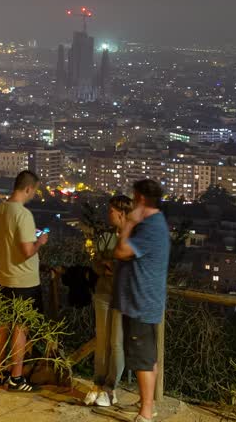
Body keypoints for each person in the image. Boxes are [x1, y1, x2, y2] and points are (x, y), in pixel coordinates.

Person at [112, 179, 171, 422]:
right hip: (143, 299)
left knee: (142, 358)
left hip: (141, 301)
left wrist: (128, 223)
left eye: (134, 198)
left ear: (141, 200)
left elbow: (121, 251)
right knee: (146, 355)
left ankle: (146, 412)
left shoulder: (151, 227)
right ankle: (146, 403)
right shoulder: (155, 223)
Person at [0, 170, 48, 392]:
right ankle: (16, 377)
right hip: (23, 280)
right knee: (20, 329)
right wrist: (40, 241)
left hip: (3, 275)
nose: (34, 194)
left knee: (2, 326)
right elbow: (26, 251)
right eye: (34, 190)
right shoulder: (23, 215)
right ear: (28, 189)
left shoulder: (0, 209)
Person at [84, 194, 133, 407]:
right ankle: (97, 383)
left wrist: (112, 266)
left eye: (111, 210)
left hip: (122, 296)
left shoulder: (133, 238)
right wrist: (105, 265)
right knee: (102, 341)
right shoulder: (107, 237)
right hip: (103, 293)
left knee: (117, 342)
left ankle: (111, 388)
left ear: (121, 213)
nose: (108, 214)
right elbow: (96, 263)